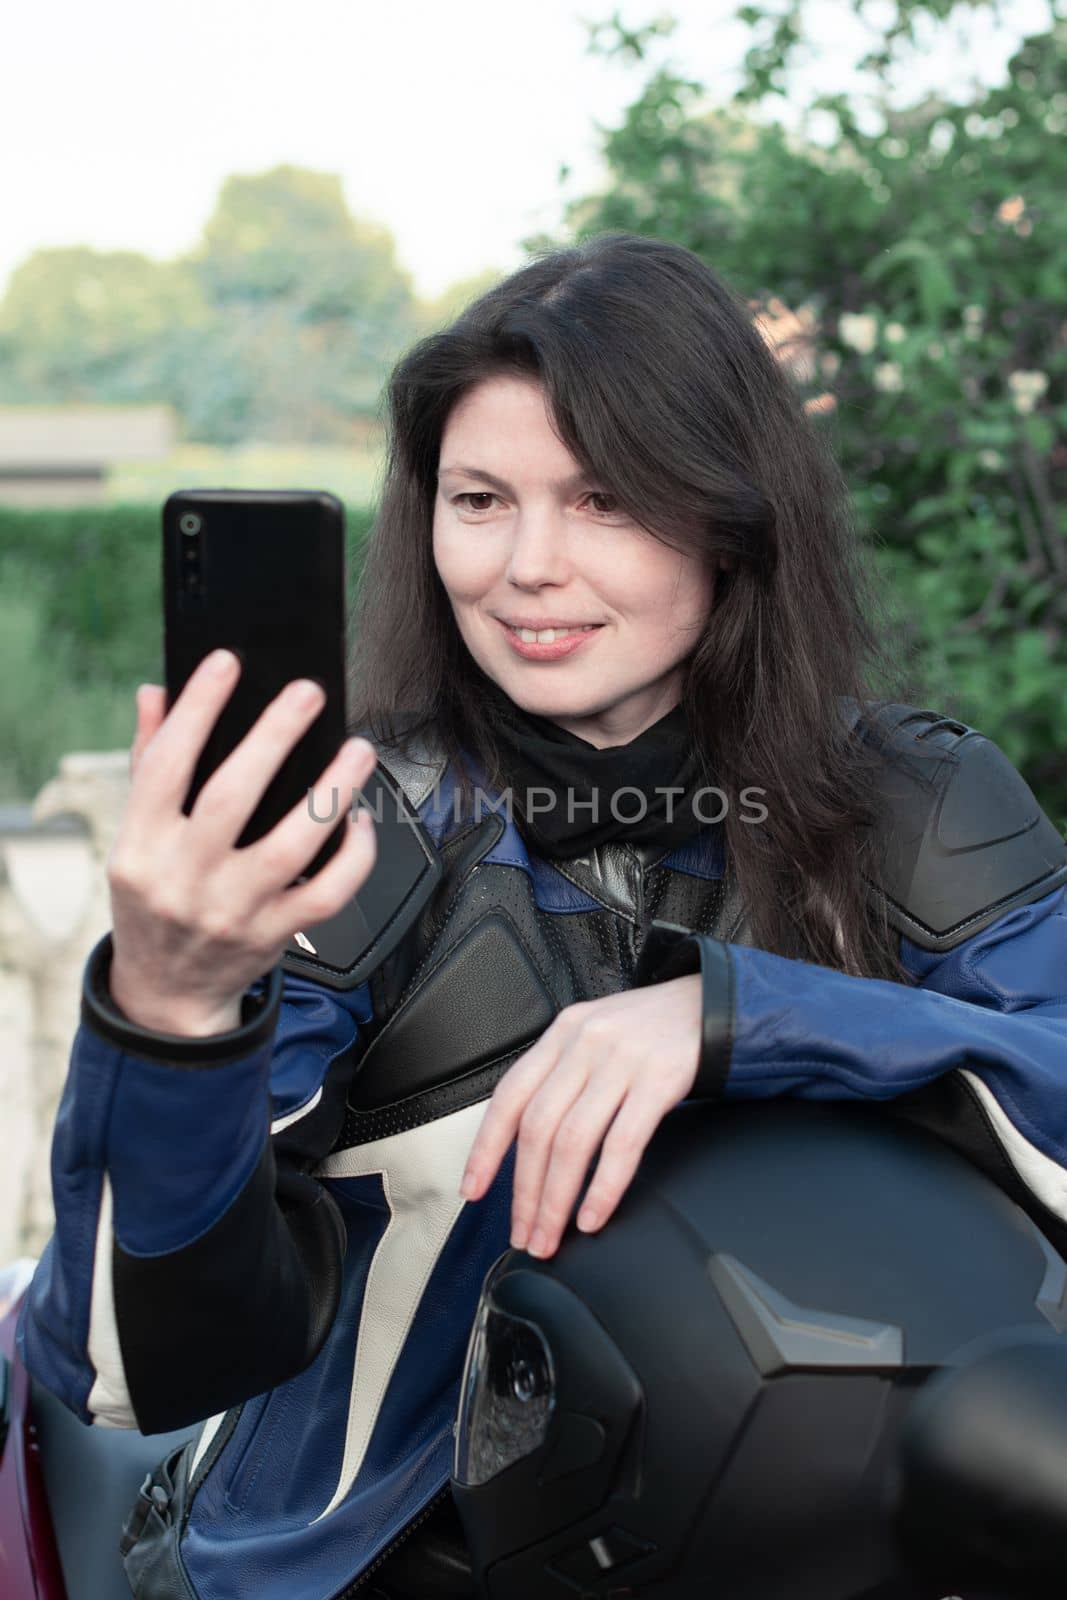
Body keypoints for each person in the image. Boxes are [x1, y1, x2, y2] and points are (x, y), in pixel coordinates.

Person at [15, 231, 1067, 1600]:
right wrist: (170, 1011)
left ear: (733, 514)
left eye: (605, 500)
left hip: (841, 1545)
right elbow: (121, 1364)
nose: (526, 566)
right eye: (479, 499)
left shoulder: (916, 802)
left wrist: (744, 1022)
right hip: (380, 1570)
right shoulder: (358, 832)